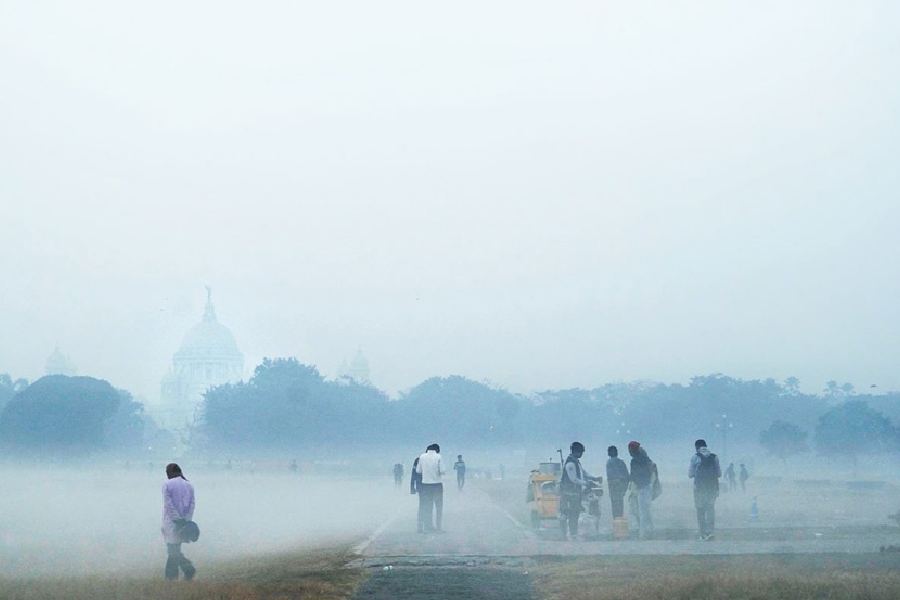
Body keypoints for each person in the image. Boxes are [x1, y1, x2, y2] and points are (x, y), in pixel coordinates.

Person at [161, 463, 196, 581]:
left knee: (172, 549)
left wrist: (176, 519)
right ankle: (180, 573)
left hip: (171, 522)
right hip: (184, 522)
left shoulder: (167, 484)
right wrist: (186, 520)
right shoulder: (189, 485)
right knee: (175, 548)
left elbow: (168, 505)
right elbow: (192, 505)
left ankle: (176, 575)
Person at [559, 441, 601, 540]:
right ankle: (565, 534)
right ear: (576, 451)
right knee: (567, 513)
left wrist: (594, 478)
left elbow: (583, 473)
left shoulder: (576, 462)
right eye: (581, 452)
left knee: (574, 513)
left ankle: (572, 534)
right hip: (568, 493)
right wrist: (586, 483)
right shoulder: (570, 463)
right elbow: (573, 479)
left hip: (574, 493)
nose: (582, 454)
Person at [688, 439, 721, 541]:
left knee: (700, 510)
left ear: (696, 447)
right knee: (710, 509)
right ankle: (710, 532)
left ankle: (702, 533)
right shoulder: (714, 457)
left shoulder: (695, 457)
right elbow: (719, 474)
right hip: (712, 487)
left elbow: (690, 474)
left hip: (699, 488)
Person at [628, 441, 656, 540]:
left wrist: (632, 487)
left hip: (641, 488)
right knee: (646, 511)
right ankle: (651, 530)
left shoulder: (635, 461)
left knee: (642, 512)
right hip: (648, 487)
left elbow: (633, 475)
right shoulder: (646, 459)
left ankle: (642, 534)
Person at [416, 443, 445, 532]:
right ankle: (439, 526)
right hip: (437, 485)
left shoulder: (422, 457)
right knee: (439, 507)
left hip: (426, 485)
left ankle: (428, 526)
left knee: (428, 506)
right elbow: (442, 471)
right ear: (437, 450)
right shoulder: (439, 457)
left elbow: (418, 470)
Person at [606, 445, 629, 520]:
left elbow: (610, 478)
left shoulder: (609, 462)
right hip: (620, 487)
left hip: (614, 487)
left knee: (615, 507)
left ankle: (617, 524)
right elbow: (627, 476)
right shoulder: (621, 462)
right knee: (620, 506)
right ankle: (620, 523)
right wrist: (625, 488)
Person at [410, 457, 424, 532]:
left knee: (423, 505)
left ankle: (421, 524)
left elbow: (413, 476)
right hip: (423, 486)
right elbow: (413, 475)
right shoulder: (418, 461)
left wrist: (412, 488)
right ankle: (420, 524)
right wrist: (412, 488)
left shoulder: (418, 461)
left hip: (421, 486)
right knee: (423, 505)